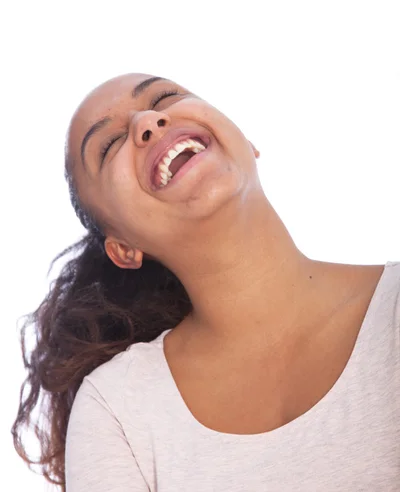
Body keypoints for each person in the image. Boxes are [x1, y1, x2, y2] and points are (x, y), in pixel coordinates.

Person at [12, 73, 399, 491]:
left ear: (245, 141)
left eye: (164, 97)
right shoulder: (118, 409)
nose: (148, 121)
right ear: (124, 248)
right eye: (109, 146)